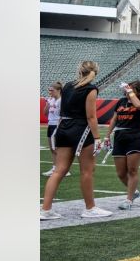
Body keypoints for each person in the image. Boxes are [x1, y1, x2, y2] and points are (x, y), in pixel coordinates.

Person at [40, 62, 111, 220]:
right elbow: (91, 116)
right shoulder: (91, 89)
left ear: (79, 71)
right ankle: (90, 208)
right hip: (81, 131)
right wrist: (98, 138)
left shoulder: (67, 87)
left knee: (59, 170)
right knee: (87, 170)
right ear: (95, 72)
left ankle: (45, 209)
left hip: (63, 128)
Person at [101, 80, 140, 210]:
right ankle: (134, 192)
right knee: (121, 173)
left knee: (132, 170)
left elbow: (138, 106)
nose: (126, 91)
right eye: (127, 89)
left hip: (135, 136)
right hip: (120, 137)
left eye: (131, 89)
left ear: (138, 91)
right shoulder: (121, 102)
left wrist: (130, 92)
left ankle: (129, 200)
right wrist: (107, 136)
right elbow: (114, 119)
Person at [42, 82, 67, 177]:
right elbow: (45, 113)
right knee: (52, 149)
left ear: (59, 90)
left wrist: (60, 126)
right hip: (50, 125)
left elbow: (63, 114)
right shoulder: (51, 100)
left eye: (52, 90)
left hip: (58, 126)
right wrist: (48, 103)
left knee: (58, 149)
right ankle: (54, 168)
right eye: (49, 90)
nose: (50, 92)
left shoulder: (61, 100)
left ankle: (63, 169)